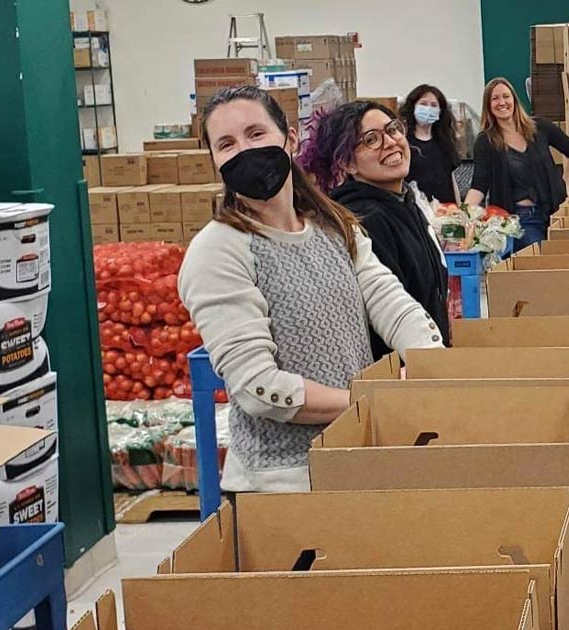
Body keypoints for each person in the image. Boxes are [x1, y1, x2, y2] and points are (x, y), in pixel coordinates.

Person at [179, 86, 444, 494]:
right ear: (215, 161)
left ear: (289, 138)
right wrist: (368, 400)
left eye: (256, 134)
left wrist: (429, 365)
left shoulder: (335, 226)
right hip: (279, 485)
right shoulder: (218, 251)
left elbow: (389, 301)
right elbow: (257, 388)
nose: (245, 150)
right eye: (226, 144)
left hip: (355, 462)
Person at [299, 100, 452, 358]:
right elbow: (388, 311)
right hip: (399, 374)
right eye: (371, 139)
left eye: (392, 129)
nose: (391, 142)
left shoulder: (404, 202)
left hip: (426, 363)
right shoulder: (364, 219)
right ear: (348, 164)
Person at [465, 77, 569, 250]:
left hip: (554, 213)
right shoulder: (486, 141)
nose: (502, 102)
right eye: (495, 98)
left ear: (514, 99)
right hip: (519, 220)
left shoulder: (539, 127)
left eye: (506, 96)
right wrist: (464, 218)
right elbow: (479, 185)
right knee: (538, 261)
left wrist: (566, 185)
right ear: (488, 105)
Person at [402, 84, 461, 204]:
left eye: (434, 105)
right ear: (413, 107)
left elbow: (451, 178)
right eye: (423, 104)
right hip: (417, 210)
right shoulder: (403, 142)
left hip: (446, 211)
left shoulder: (445, 141)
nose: (428, 109)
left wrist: (459, 208)